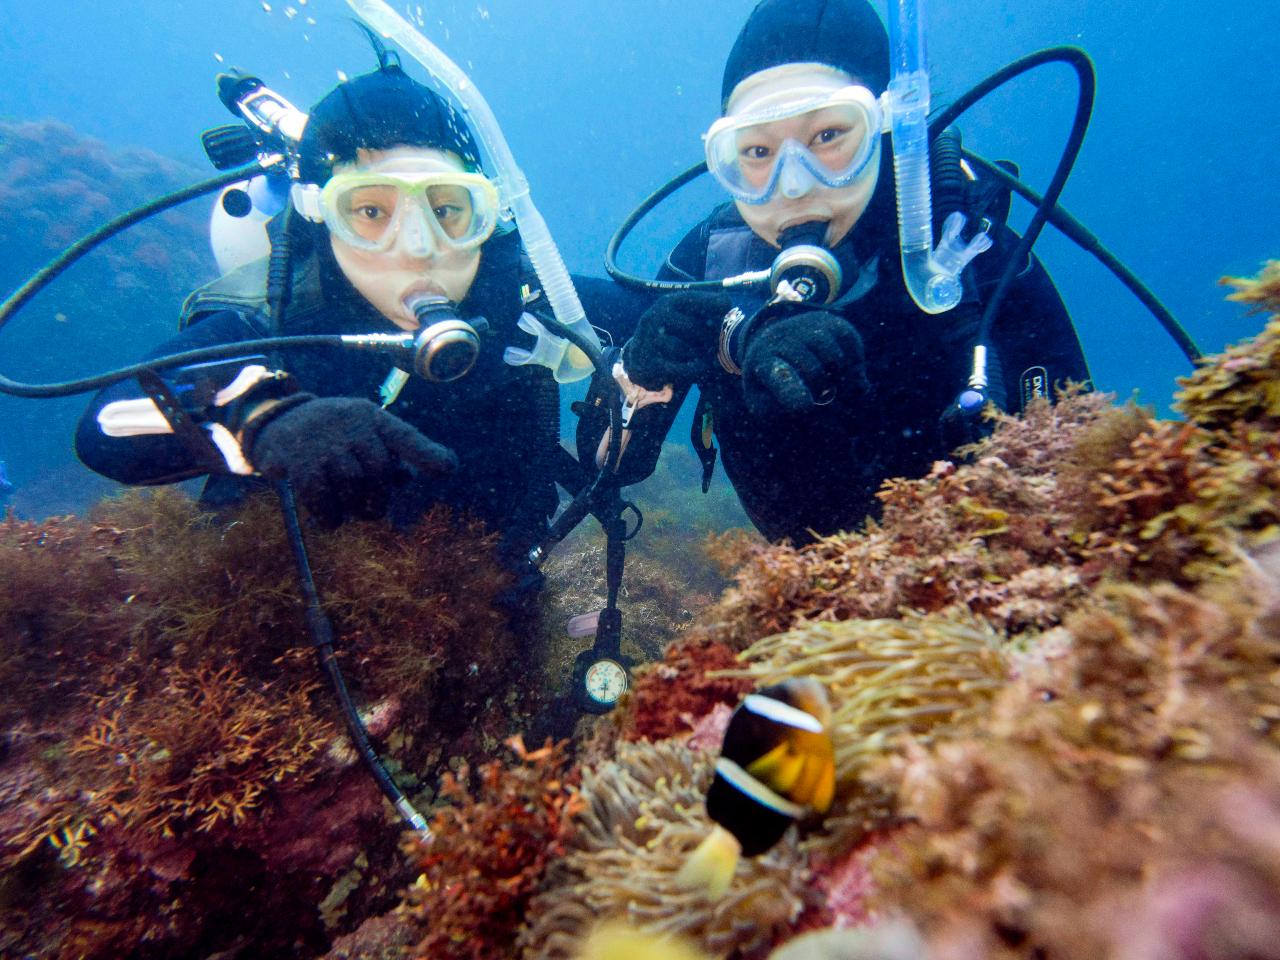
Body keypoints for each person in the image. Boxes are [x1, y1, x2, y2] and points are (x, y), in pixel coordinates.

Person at [75, 44, 648, 564]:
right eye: (370, 212)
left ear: (488, 215)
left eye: (448, 210)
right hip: (284, 638)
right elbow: (106, 427)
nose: (418, 248)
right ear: (321, 215)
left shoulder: (528, 305)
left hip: (490, 614)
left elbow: (665, 314)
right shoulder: (280, 320)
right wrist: (257, 419)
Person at [596, 0, 1090, 544]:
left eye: (828, 136)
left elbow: (1076, 464)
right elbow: (611, 468)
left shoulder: (968, 250)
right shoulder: (708, 266)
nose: (792, 185)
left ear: (886, 128)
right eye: (758, 150)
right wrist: (640, 375)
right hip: (804, 597)